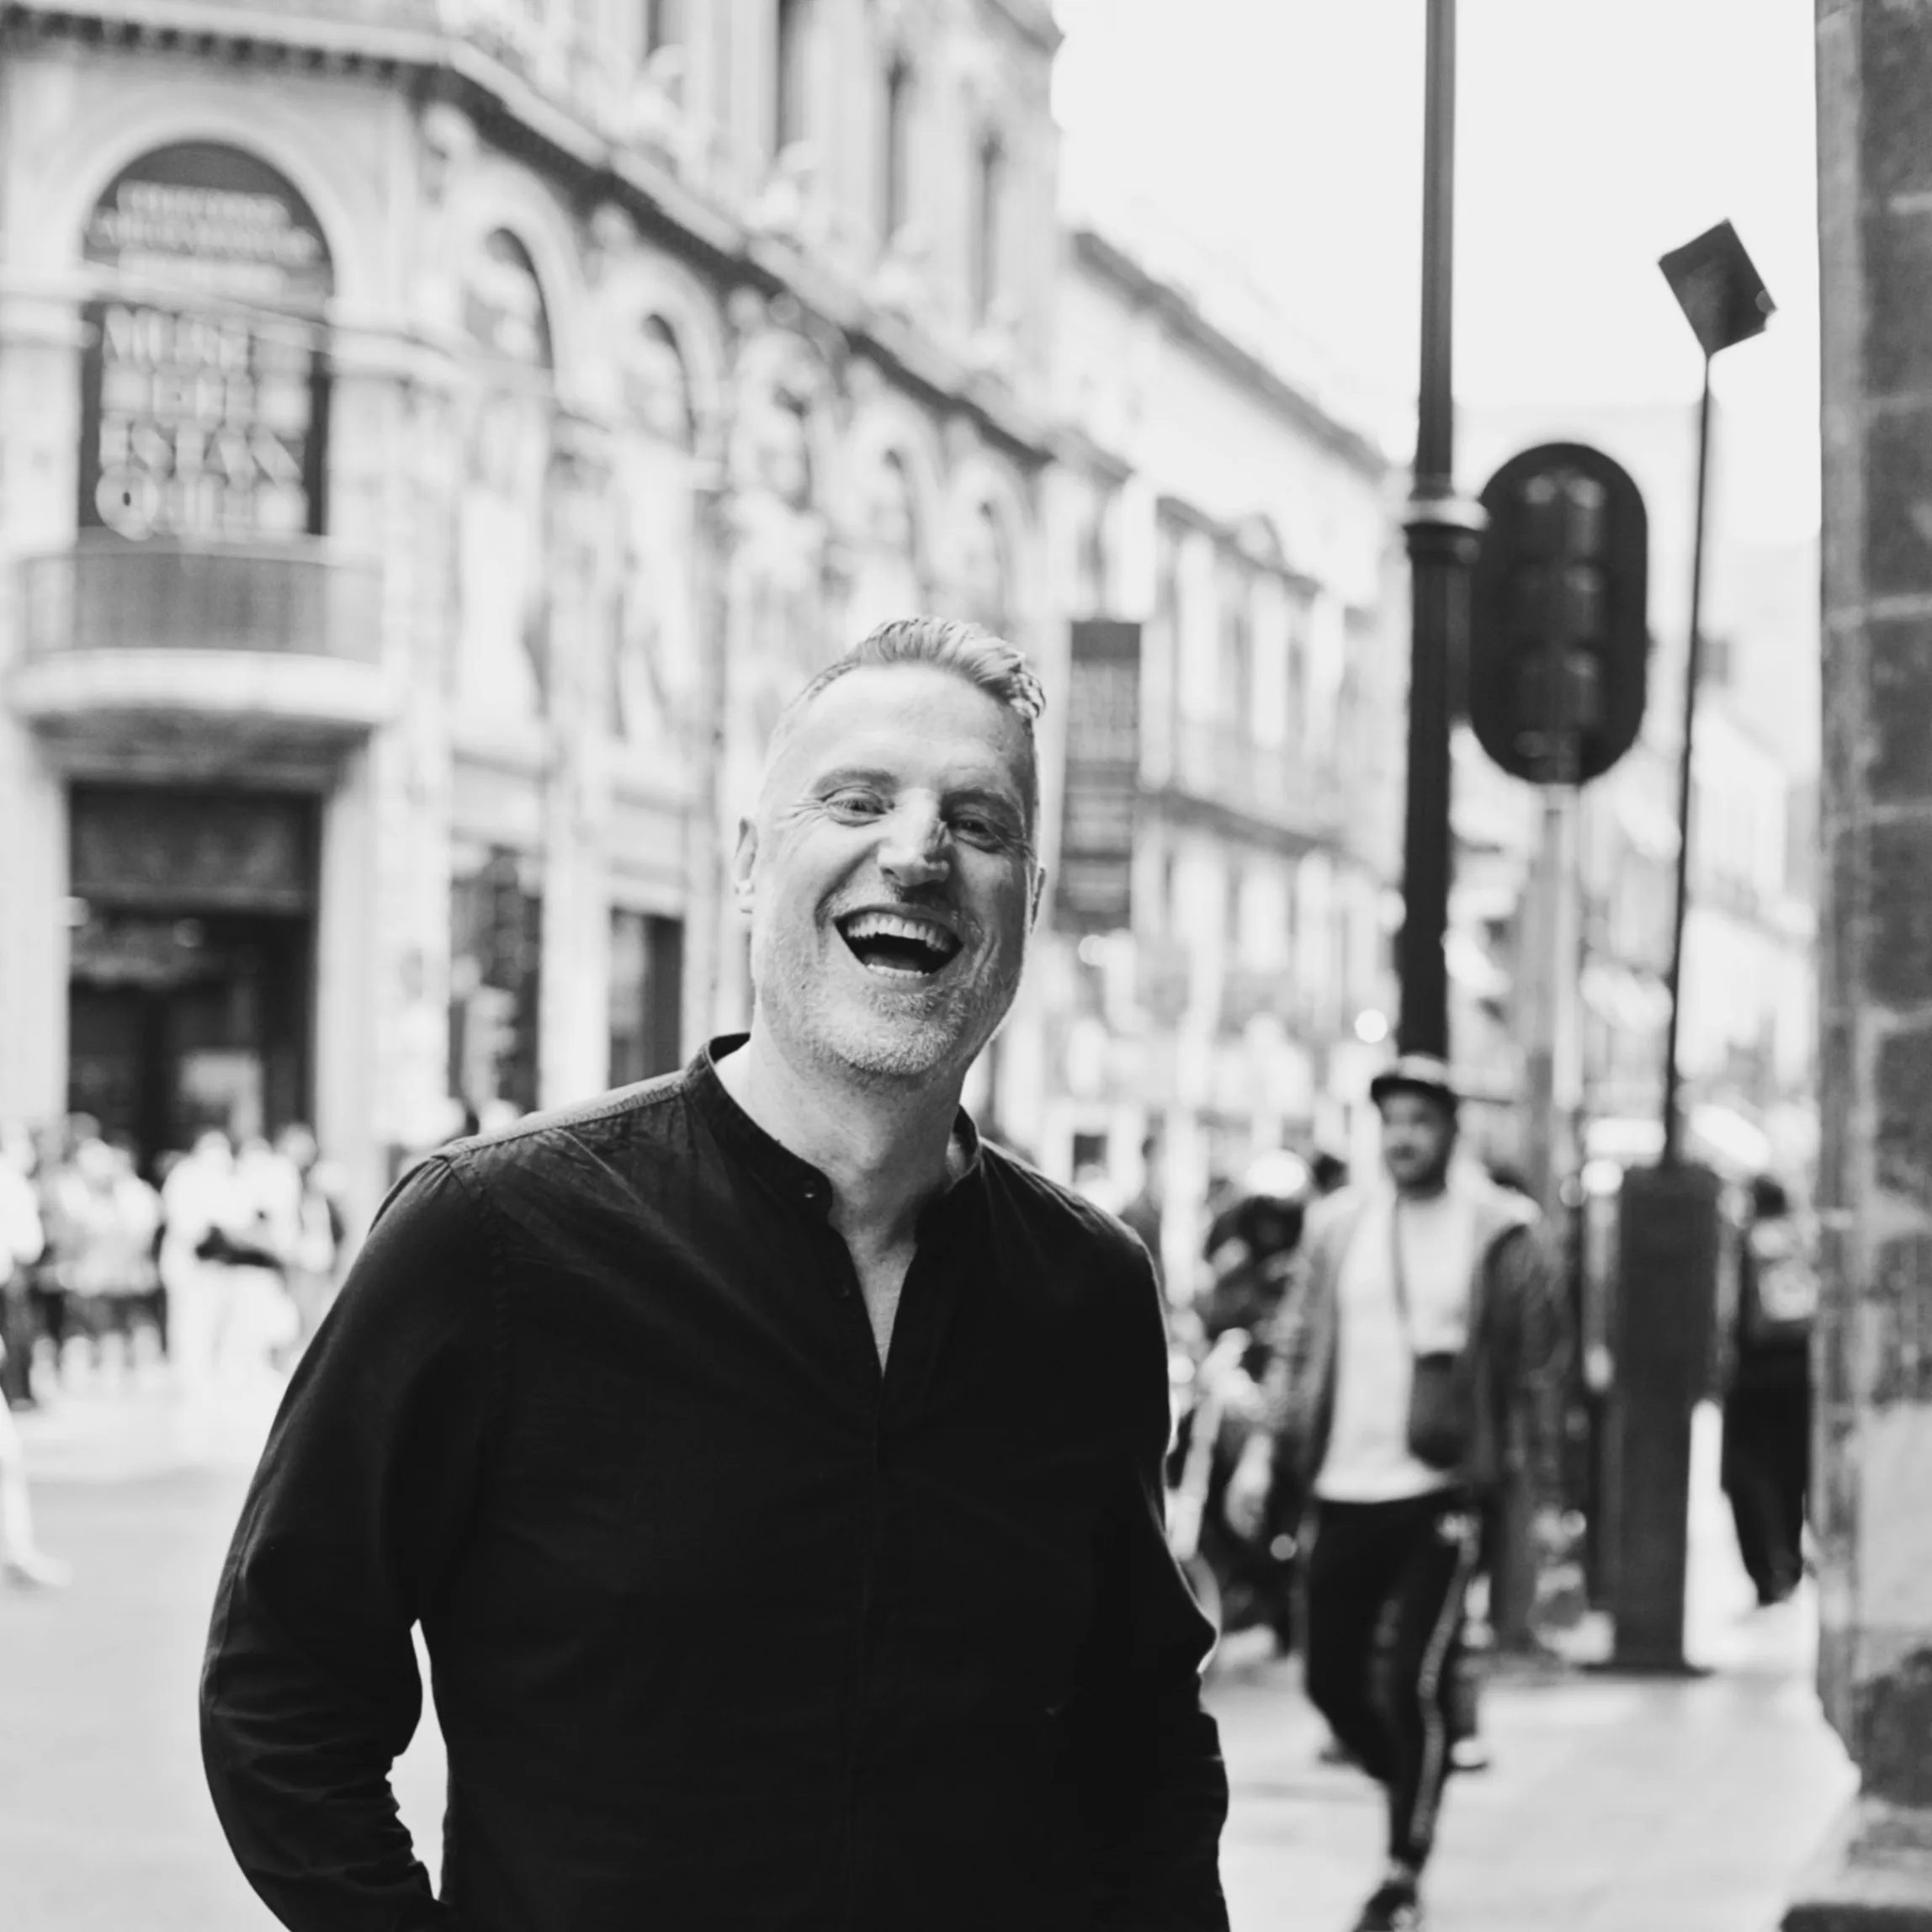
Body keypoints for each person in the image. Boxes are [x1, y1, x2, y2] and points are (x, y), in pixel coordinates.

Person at [200, 617, 1230, 1930]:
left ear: (1025, 907)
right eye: (856, 801)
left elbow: (1142, 1744)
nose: (917, 852)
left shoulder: (1090, 1294)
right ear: (750, 865)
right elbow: (281, 1695)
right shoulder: (490, 1236)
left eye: (977, 822)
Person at [1227, 1055, 1566, 1932]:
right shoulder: (1338, 1225)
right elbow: (1296, 1343)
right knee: (1330, 1679)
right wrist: (1263, 1453)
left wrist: (1539, 1502)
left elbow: (1534, 1371)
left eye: (1421, 1121)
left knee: (1412, 1677)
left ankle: (1400, 1867)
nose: (1404, 1137)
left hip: (1440, 1493)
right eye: (1392, 1122)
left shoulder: (1498, 1230)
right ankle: (1415, 1781)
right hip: (1343, 1486)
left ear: (1452, 1130)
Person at [1721, 1174, 1815, 1608]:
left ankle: (1763, 1572)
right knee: (1791, 1471)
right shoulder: (1801, 1238)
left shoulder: (1746, 1241)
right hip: (1798, 1372)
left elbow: (1729, 1309)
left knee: (1747, 1473)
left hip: (1752, 1375)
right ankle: (1790, 1561)